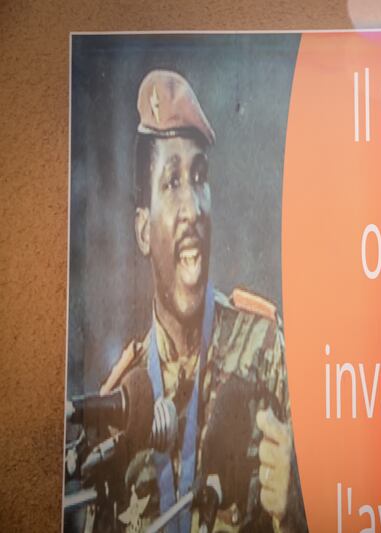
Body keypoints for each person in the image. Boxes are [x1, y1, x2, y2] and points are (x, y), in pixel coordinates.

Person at [82, 70, 307, 532]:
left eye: (199, 178)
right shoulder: (121, 406)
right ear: (144, 230)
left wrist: (295, 503)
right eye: (172, 183)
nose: (192, 208)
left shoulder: (264, 350)